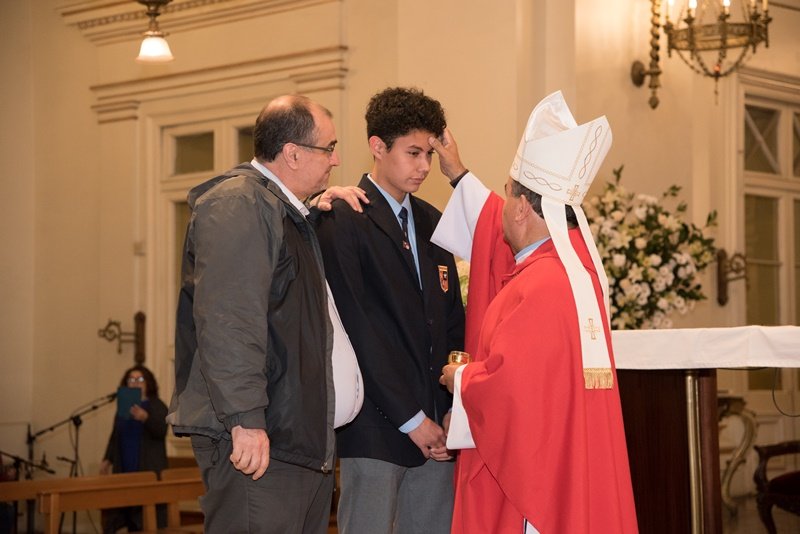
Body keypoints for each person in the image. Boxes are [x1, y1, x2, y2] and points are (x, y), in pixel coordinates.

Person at [434, 91, 638, 533]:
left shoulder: (540, 284)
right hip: (569, 467)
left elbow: (513, 388)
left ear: (524, 208)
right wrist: (458, 175)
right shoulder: (576, 273)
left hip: (537, 484)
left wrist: (461, 379)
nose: (504, 207)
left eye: (508, 195)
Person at [167, 94, 366, 534]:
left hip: (294, 439)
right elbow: (229, 320)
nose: (336, 160)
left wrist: (313, 208)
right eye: (329, 148)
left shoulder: (278, 208)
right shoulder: (239, 203)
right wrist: (245, 419)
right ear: (292, 154)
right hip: (261, 439)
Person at [315, 87, 465, 534]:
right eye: (413, 153)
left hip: (437, 428)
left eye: (429, 154)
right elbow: (356, 330)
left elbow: (452, 323)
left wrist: (452, 408)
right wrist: (410, 419)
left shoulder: (433, 221)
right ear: (378, 147)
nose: (424, 166)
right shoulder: (343, 217)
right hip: (376, 427)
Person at [100, 365, 168, 533]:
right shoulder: (124, 406)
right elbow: (115, 435)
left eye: (140, 379)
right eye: (131, 379)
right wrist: (107, 459)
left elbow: (161, 431)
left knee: (145, 520)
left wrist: (146, 418)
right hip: (124, 467)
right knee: (122, 515)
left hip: (147, 468)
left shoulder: (156, 404)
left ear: (148, 383)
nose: (135, 382)